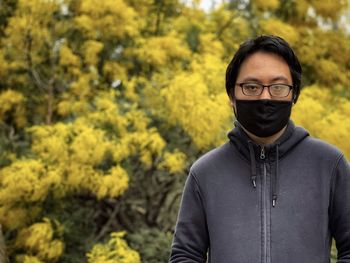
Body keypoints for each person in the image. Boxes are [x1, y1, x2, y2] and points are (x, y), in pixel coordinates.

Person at [169, 35, 350, 262]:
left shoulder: (329, 164)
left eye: (278, 87)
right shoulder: (205, 173)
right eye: (251, 87)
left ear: (294, 94)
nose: (265, 97)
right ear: (231, 96)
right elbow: (186, 255)